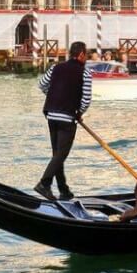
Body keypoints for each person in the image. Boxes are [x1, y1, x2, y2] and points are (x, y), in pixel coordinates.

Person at [35, 41, 93, 201]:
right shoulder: (85, 73)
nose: (86, 58)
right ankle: (44, 184)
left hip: (51, 115)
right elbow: (86, 99)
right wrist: (79, 112)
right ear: (81, 54)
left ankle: (63, 190)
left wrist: (54, 96)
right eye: (86, 54)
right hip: (67, 117)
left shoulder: (55, 68)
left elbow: (41, 85)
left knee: (57, 154)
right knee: (61, 154)